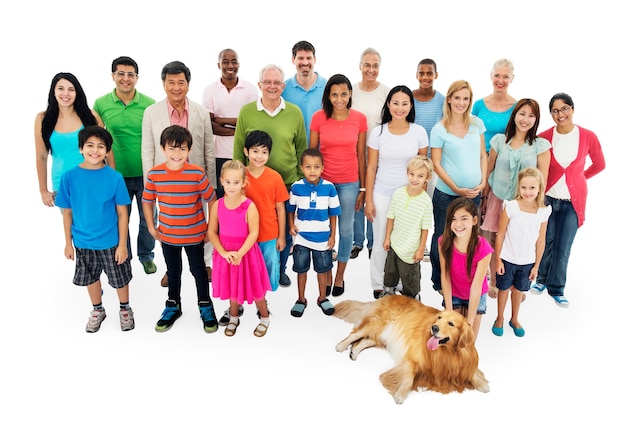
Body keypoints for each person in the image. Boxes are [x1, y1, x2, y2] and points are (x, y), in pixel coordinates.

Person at [142, 60, 216, 288]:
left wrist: (210, 180)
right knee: (170, 220)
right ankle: (171, 268)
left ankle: (204, 263)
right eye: (171, 82)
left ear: (188, 84)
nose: (176, 87)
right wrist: (150, 183)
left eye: (181, 82)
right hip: (165, 179)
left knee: (200, 221)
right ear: (164, 84)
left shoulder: (200, 112)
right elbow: (147, 149)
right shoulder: (151, 112)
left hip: (196, 178)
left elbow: (208, 148)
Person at [233, 64, 307, 288]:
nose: (272, 86)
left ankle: (280, 268)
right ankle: (250, 269)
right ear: (260, 85)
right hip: (252, 183)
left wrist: (300, 180)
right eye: (267, 82)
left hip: (286, 183)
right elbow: (238, 148)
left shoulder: (294, 112)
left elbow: (301, 147)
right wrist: (238, 180)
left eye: (276, 83)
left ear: (283, 86)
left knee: (282, 229)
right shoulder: (247, 112)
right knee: (251, 228)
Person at [530, 93, 606, 307]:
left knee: (564, 246)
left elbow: (599, 164)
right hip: (548, 199)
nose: (560, 114)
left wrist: (580, 177)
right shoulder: (544, 137)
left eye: (564, 109)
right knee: (545, 242)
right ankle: (541, 280)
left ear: (572, 109)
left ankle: (557, 288)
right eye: (555, 110)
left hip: (572, 202)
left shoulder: (587, 136)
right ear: (551, 114)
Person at [55, 126, 133, 333]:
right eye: (90, 145)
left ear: (107, 151)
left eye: (101, 146)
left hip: (110, 241)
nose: (95, 150)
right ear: (81, 148)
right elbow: (67, 213)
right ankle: (97, 309)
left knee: (119, 278)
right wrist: (67, 243)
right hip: (82, 242)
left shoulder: (114, 177)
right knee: (91, 278)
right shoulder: (69, 177)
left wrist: (123, 245)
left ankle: (125, 308)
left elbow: (123, 213)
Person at [142, 125, 218, 333]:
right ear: (163, 149)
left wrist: (211, 228)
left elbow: (212, 200)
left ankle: (205, 304)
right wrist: (150, 226)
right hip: (168, 235)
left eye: (182, 149)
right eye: (172, 149)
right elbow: (147, 201)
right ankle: (173, 305)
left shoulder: (196, 173)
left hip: (195, 235)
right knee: (173, 272)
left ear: (189, 150)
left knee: (199, 271)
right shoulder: (155, 174)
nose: (177, 154)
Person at [217, 130, 289, 327]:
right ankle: (236, 305)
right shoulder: (238, 175)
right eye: (255, 151)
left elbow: (281, 208)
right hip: (241, 238)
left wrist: (281, 235)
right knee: (238, 272)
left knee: (264, 273)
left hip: (267, 235)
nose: (259, 156)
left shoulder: (274, 177)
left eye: (264, 152)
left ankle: (261, 306)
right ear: (246, 151)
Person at [93, 56, 158, 277]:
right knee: (120, 218)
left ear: (137, 78)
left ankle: (146, 255)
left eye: (130, 74)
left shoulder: (149, 103)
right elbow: (97, 139)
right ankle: (125, 256)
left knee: (148, 217)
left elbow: (156, 138)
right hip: (115, 174)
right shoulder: (101, 104)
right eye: (121, 73)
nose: (125, 78)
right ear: (113, 76)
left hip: (145, 173)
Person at [480, 99, 551, 298]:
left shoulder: (540, 146)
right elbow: (490, 169)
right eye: (522, 113)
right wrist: (484, 197)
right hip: (497, 197)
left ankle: (517, 283)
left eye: (531, 115)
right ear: (514, 115)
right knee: (495, 239)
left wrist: (537, 207)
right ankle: (495, 281)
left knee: (519, 240)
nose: (525, 119)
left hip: (524, 204)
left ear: (536, 119)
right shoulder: (499, 141)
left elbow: (542, 179)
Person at [365, 85, 428, 299]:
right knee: (382, 239)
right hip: (382, 194)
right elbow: (371, 167)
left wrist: (421, 199)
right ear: (388, 105)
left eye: (404, 103)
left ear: (411, 106)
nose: (399, 108)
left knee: (405, 240)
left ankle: (400, 282)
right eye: (395, 103)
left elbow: (424, 168)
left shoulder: (418, 132)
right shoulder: (378, 132)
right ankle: (378, 283)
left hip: (409, 197)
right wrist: (369, 200)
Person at [310, 74, 367, 297]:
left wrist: (362, 189)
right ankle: (326, 273)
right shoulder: (318, 118)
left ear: (350, 94)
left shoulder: (359, 119)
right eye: (334, 94)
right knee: (323, 230)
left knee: (345, 230)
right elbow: (312, 153)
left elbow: (361, 155)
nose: (339, 99)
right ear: (328, 96)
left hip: (349, 183)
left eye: (343, 94)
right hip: (323, 183)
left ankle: (340, 274)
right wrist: (312, 184)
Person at [429, 80, 487, 294]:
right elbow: (435, 163)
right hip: (446, 194)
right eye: (457, 98)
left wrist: (482, 182)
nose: (461, 103)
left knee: (469, 238)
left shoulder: (477, 125)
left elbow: (483, 155)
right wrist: (456, 187)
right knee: (441, 237)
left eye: (466, 98)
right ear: (449, 99)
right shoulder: (439, 129)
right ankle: (438, 280)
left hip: (473, 194)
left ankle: (463, 280)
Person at [208, 160, 272, 337]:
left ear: (244, 182)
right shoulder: (217, 205)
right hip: (226, 253)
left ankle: (265, 317)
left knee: (256, 288)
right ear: (221, 181)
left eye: (236, 182)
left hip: (246, 253)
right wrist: (223, 252)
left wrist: (240, 253)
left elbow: (254, 233)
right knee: (231, 286)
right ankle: (234, 317)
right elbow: (212, 232)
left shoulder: (249, 206)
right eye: (227, 182)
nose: (231, 186)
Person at [492, 168, 551, 337]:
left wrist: (536, 266)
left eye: (532, 188)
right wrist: (498, 259)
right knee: (503, 289)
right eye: (524, 187)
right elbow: (501, 233)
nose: (527, 192)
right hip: (508, 258)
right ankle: (500, 318)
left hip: (527, 261)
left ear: (539, 188)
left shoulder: (543, 211)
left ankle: (514, 318)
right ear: (519, 187)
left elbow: (541, 241)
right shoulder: (511, 207)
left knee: (518, 291)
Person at [35, 72, 107, 208]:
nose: (66, 94)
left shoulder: (90, 116)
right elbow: (41, 157)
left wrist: (112, 180)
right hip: (62, 184)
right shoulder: (42, 119)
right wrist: (43, 190)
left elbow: (107, 149)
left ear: (77, 93)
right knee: (73, 228)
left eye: (71, 89)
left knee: (95, 226)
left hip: (94, 181)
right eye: (61, 88)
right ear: (53, 92)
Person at [287, 148, 341, 317]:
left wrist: (332, 236)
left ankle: (322, 298)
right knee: (301, 270)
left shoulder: (329, 188)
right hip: (301, 237)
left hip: (322, 238)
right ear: (302, 168)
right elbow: (290, 209)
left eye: (316, 167)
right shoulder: (296, 187)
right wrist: (291, 225)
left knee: (322, 270)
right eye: (308, 167)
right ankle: (301, 299)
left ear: (322, 168)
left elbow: (334, 214)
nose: (312, 171)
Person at [350, 47, 390, 260]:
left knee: (373, 195)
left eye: (375, 65)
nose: (371, 69)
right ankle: (357, 242)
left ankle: (373, 242)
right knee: (358, 193)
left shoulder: (385, 92)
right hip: (353, 151)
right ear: (360, 66)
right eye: (367, 65)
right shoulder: (352, 92)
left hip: (377, 153)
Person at [202, 48, 259, 198]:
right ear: (218, 65)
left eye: (234, 61)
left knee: (244, 196)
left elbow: (251, 124)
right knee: (221, 196)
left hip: (243, 153)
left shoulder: (250, 90)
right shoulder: (210, 90)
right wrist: (238, 128)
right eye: (225, 62)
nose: (230, 66)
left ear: (239, 64)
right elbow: (210, 125)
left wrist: (221, 120)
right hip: (218, 153)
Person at [439, 198, 492, 340]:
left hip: (475, 295)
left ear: (474, 220)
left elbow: (476, 287)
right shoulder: (443, 242)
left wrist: (469, 322)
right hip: (454, 292)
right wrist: (449, 311)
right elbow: (445, 276)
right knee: (450, 338)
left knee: (468, 341)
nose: (458, 224)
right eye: (453, 219)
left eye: (464, 218)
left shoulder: (484, 248)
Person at [381, 156, 433, 300]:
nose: (415, 179)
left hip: (411, 250)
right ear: (407, 173)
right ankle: (388, 293)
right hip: (395, 243)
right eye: (412, 174)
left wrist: (421, 248)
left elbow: (425, 228)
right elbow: (391, 217)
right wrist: (387, 238)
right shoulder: (398, 193)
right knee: (390, 271)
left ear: (427, 178)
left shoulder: (426, 201)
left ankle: (412, 300)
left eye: (420, 176)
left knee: (410, 277)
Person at [282, 40, 327, 144]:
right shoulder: (283, 88)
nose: (305, 62)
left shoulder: (328, 87)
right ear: (293, 60)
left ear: (314, 59)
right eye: (300, 58)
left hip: (320, 154)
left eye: (309, 58)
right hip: (292, 153)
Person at [412, 58, 445, 196]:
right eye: (422, 73)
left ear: (436, 75)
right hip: (412, 157)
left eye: (429, 73)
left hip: (432, 161)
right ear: (417, 75)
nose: (425, 77)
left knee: (427, 198)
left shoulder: (442, 100)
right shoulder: (409, 98)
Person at [472, 58, 516, 154]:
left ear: (512, 78)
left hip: (503, 161)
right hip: (478, 158)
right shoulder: (478, 105)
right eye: (497, 75)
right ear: (491, 76)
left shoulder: (517, 108)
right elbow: (469, 134)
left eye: (505, 77)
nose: (500, 80)